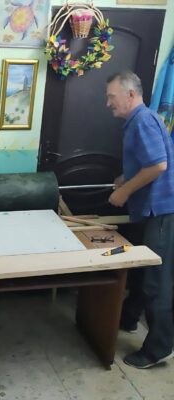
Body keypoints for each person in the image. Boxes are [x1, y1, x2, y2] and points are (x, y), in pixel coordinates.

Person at [106, 70, 174, 369]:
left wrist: (125, 191)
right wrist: (126, 177)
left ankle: (158, 348)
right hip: (151, 209)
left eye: (111, 96)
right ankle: (129, 318)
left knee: (155, 282)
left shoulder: (143, 120)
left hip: (160, 211)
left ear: (130, 94)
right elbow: (150, 162)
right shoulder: (141, 119)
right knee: (139, 270)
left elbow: (158, 165)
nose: (108, 103)